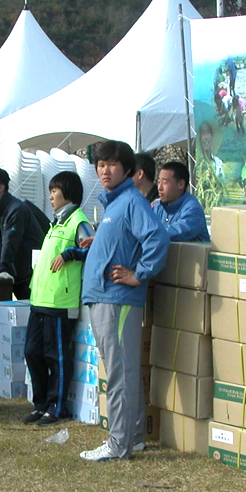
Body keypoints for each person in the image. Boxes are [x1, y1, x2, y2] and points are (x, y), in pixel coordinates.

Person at [78, 140, 169, 462]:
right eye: (101, 165)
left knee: (120, 373)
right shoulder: (115, 204)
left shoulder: (131, 201)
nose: (105, 170)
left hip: (117, 299)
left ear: (128, 169)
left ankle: (118, 445)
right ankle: (133, 436)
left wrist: (139, 274)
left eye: (112, 164)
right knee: (121, 370)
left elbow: (157, 237)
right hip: (104, 297)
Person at [23, 171, 94, 426]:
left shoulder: (78, 221)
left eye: (55, 190)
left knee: (57, 357)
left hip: (59, 302)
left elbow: (93, 248)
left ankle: (57, 407)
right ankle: (41, 404)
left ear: (68, 192)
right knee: (32, 352)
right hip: (40, 300)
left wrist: (70, 254)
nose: (51, 196)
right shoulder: (56, 223)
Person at [0, 168, 43, 301]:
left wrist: (3, 269)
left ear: (1, 187)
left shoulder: (16, 209)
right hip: (17, 271)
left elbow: (10, 241)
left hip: (29, 274)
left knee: (31, 307)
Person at [153, 161, 210, 242]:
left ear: (181, 184)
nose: (159, 187)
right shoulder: (157, 207)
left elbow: (178, 232)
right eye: (159, 182)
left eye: (165, 182)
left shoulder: (193, 209)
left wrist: (151, 234)